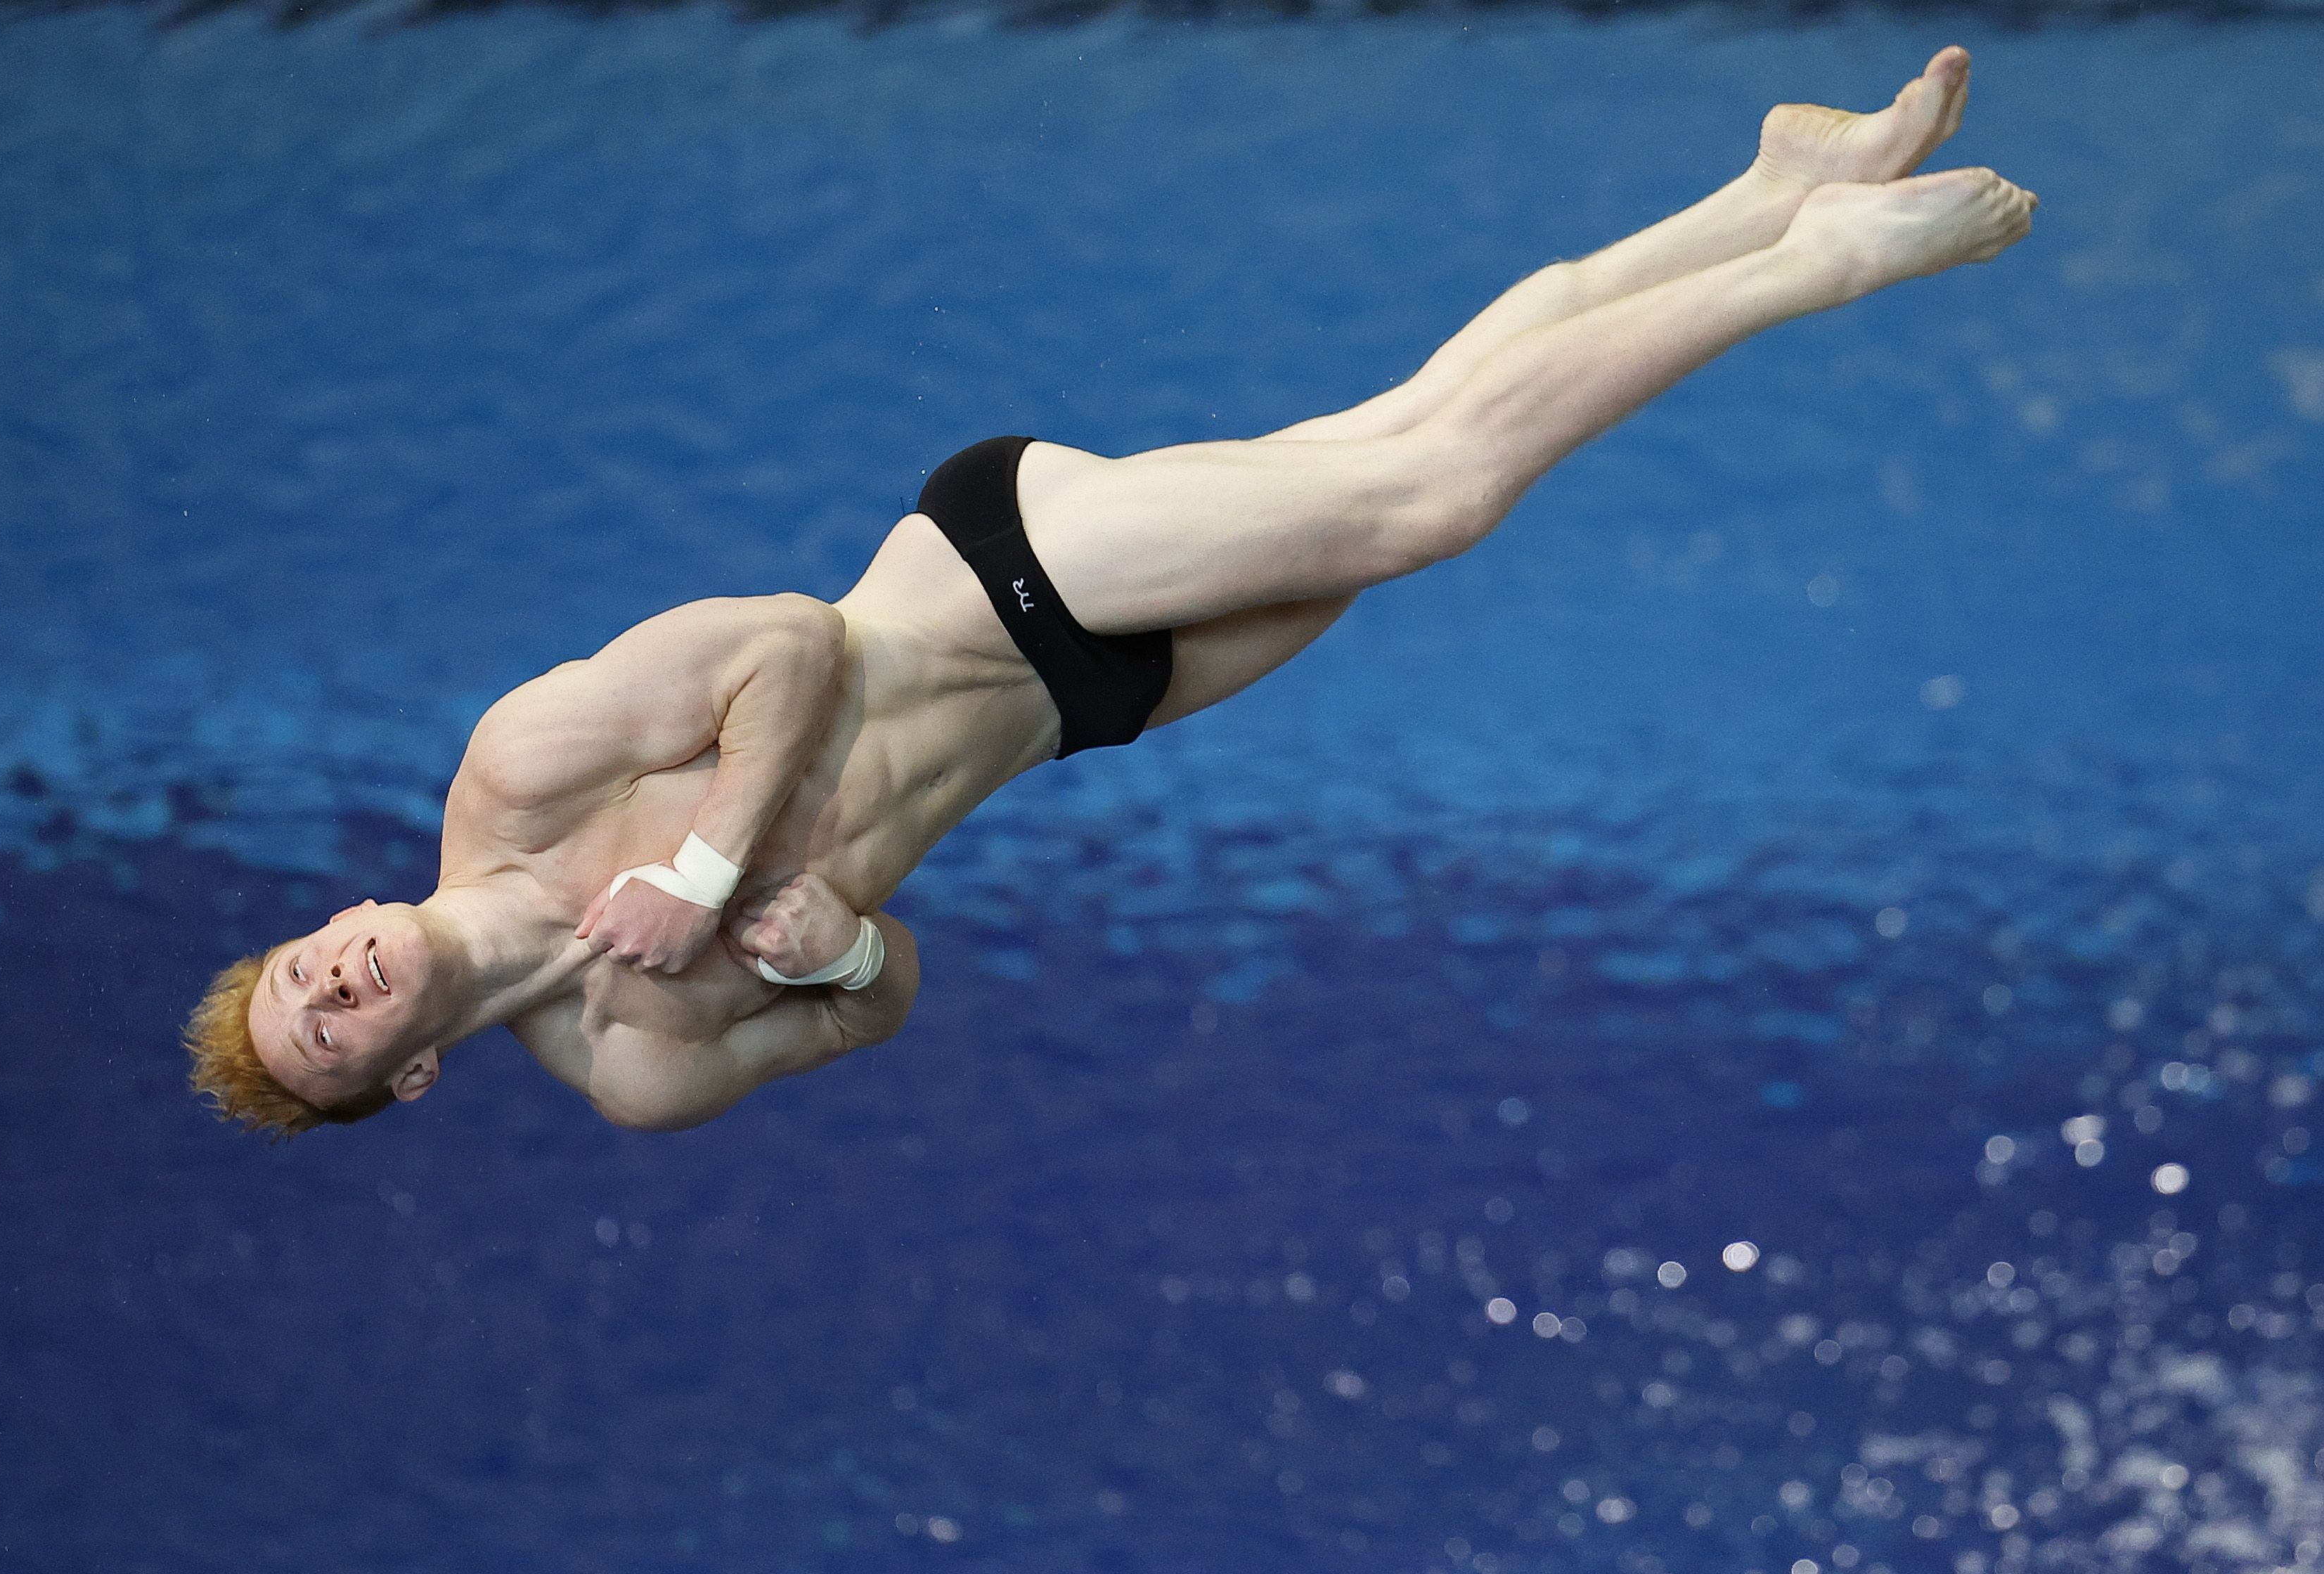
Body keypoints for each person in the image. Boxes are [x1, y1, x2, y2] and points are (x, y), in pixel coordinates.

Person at [186, 46, 2031, 1135]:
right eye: (333, 1026)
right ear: (408, 1077)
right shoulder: (636, 1068)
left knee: (1430, 497)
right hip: (1082, 707)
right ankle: (1763, 187)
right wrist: (822, 941)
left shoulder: (518, 773)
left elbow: (782, 642)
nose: (338, 978)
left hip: (988, 571)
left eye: (302, 966)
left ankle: (1812, 262)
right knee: (1408, 428)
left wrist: (694, 869)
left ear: (332, 912)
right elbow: (875, 1003)